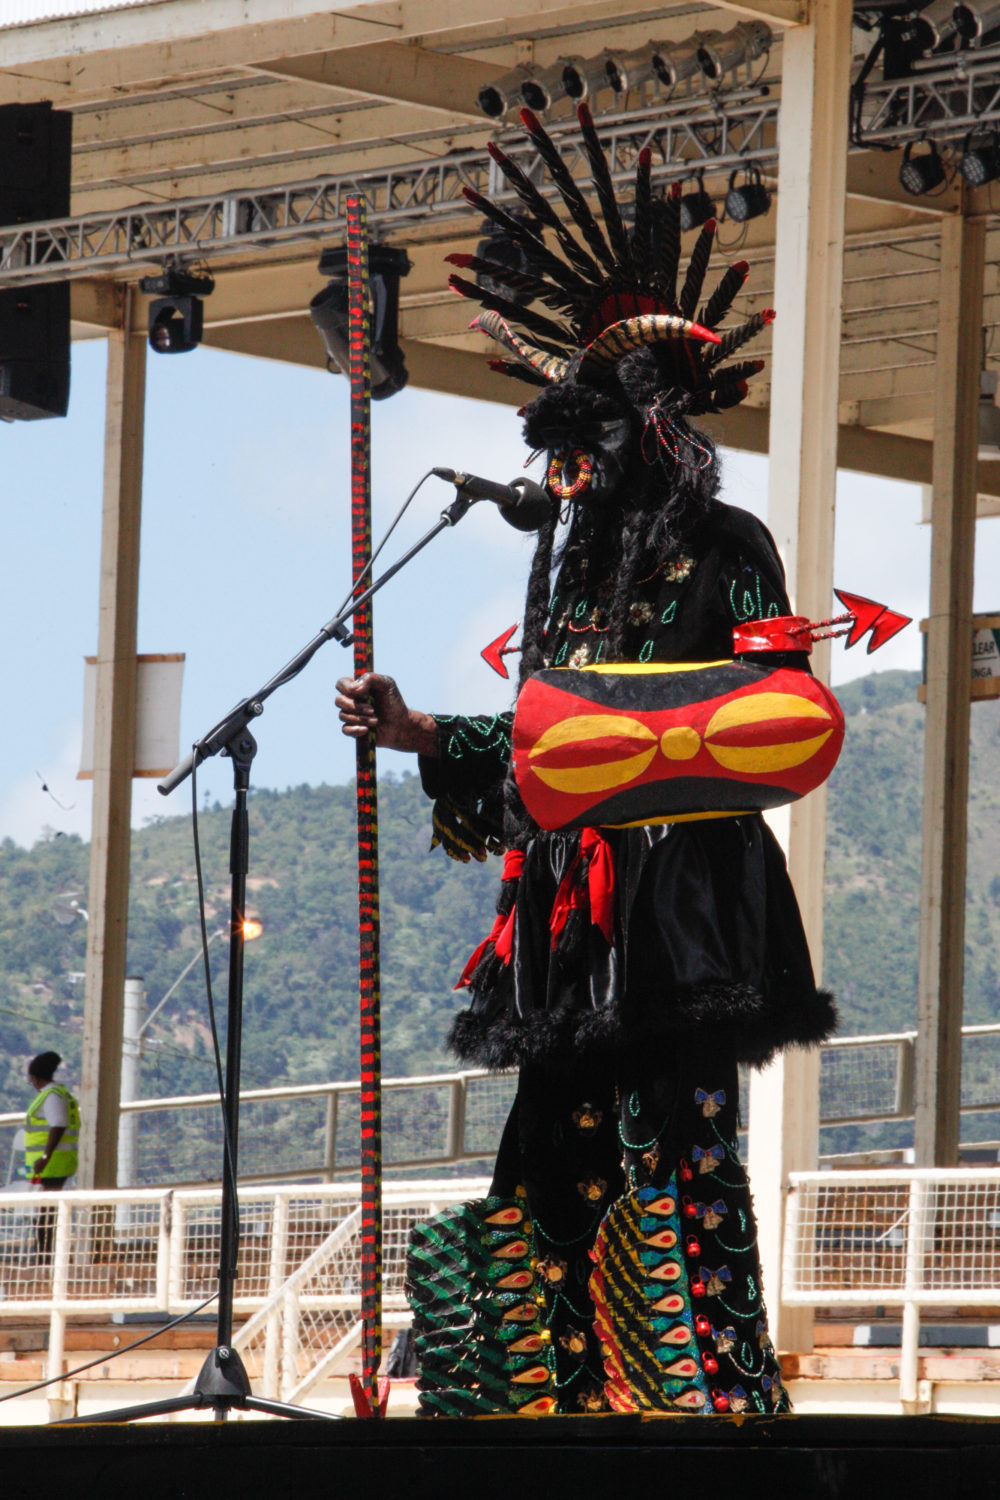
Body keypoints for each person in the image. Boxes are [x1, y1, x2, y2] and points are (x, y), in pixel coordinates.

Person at [337, 105, 836, 1417]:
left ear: (664, 425)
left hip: (679, 910)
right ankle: (524, 1404)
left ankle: (705, 1407)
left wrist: (706, 709)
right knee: (546, 1162)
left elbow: (763, 721)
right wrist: (424, 733)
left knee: (677, 1159)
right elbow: (551, 740)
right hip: (572, 913)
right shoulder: (568, 575)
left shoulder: (731, 550)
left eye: (606, 432)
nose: (577, 463)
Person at [24, 1051, 79, 1261]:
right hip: (53, 1164)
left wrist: (45, 1157)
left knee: (44, 1213)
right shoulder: (59, 1094)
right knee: (46, 1211)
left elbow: (58, 1125)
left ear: (36, 1078)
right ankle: (45, 1254)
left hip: (50, 1165)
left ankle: (44, 1257)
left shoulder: (51, 1096)